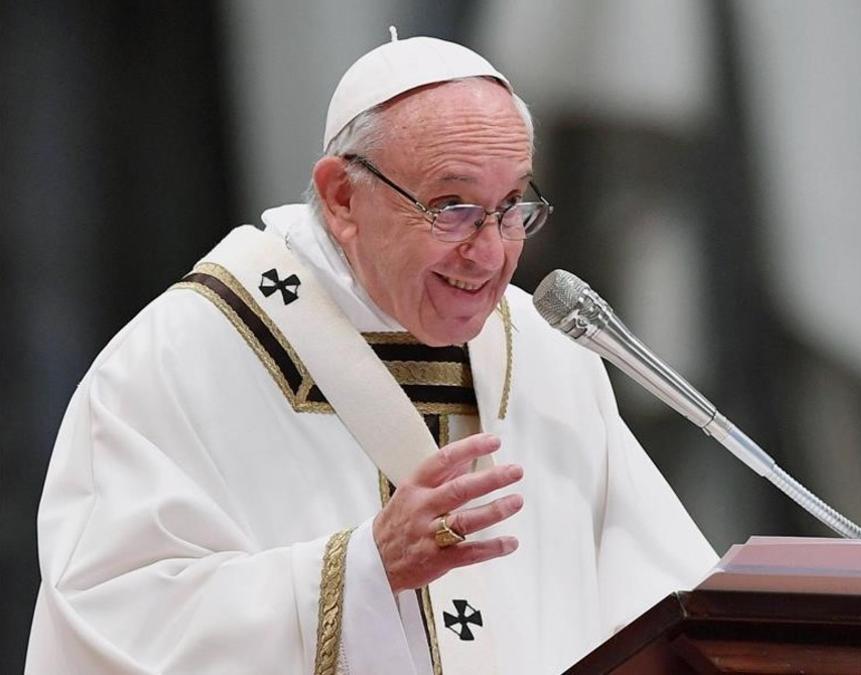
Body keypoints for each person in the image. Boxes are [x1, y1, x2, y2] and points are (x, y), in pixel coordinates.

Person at [26, 34, 716, 674]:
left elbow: (666, 605)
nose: (490, 250)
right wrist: (362, 568)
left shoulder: (546, 356)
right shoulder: (185, 355)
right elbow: (105, 615)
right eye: (452, 206)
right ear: (342, 197)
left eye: (512, 206)